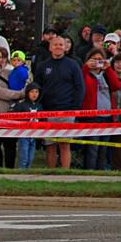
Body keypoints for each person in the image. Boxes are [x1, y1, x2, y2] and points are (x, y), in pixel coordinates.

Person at [34, 36, 85, 168]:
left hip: (67, 111)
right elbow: (36, 88)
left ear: (65, 47)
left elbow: (80, 87)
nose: (58, 47)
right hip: (48, 111)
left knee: (64, 145)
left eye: (61, 45)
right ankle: (51, 174)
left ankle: (64, 174)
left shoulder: (73, 65)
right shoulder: (42, 66)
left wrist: (75, 108)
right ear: (50, 47)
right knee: (50, 146)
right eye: (55, 44)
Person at [80, 48, 121, 170]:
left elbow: (116, 86)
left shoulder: (106, 74)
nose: (97, 62)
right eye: (94, 59)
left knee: (103, 148)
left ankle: (100, 173)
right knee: (93, 148)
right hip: (92, 116)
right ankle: (89, 173)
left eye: (100, 59)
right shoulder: (85, 74)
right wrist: (86, 67)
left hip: (107, 116)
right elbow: (80, 84)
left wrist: (108, 68)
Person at [11, 82, 43, 169]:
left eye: (36, 92)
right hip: (24, 135)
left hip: (34, 136)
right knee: (24, 157)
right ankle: (21, 174)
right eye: (32, 92)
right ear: (27, 93)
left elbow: (42, 120)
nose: (34, 94)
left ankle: (27, 173)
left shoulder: (39, 106)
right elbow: (14, 117)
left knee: (31, 158)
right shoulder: (21, 105)